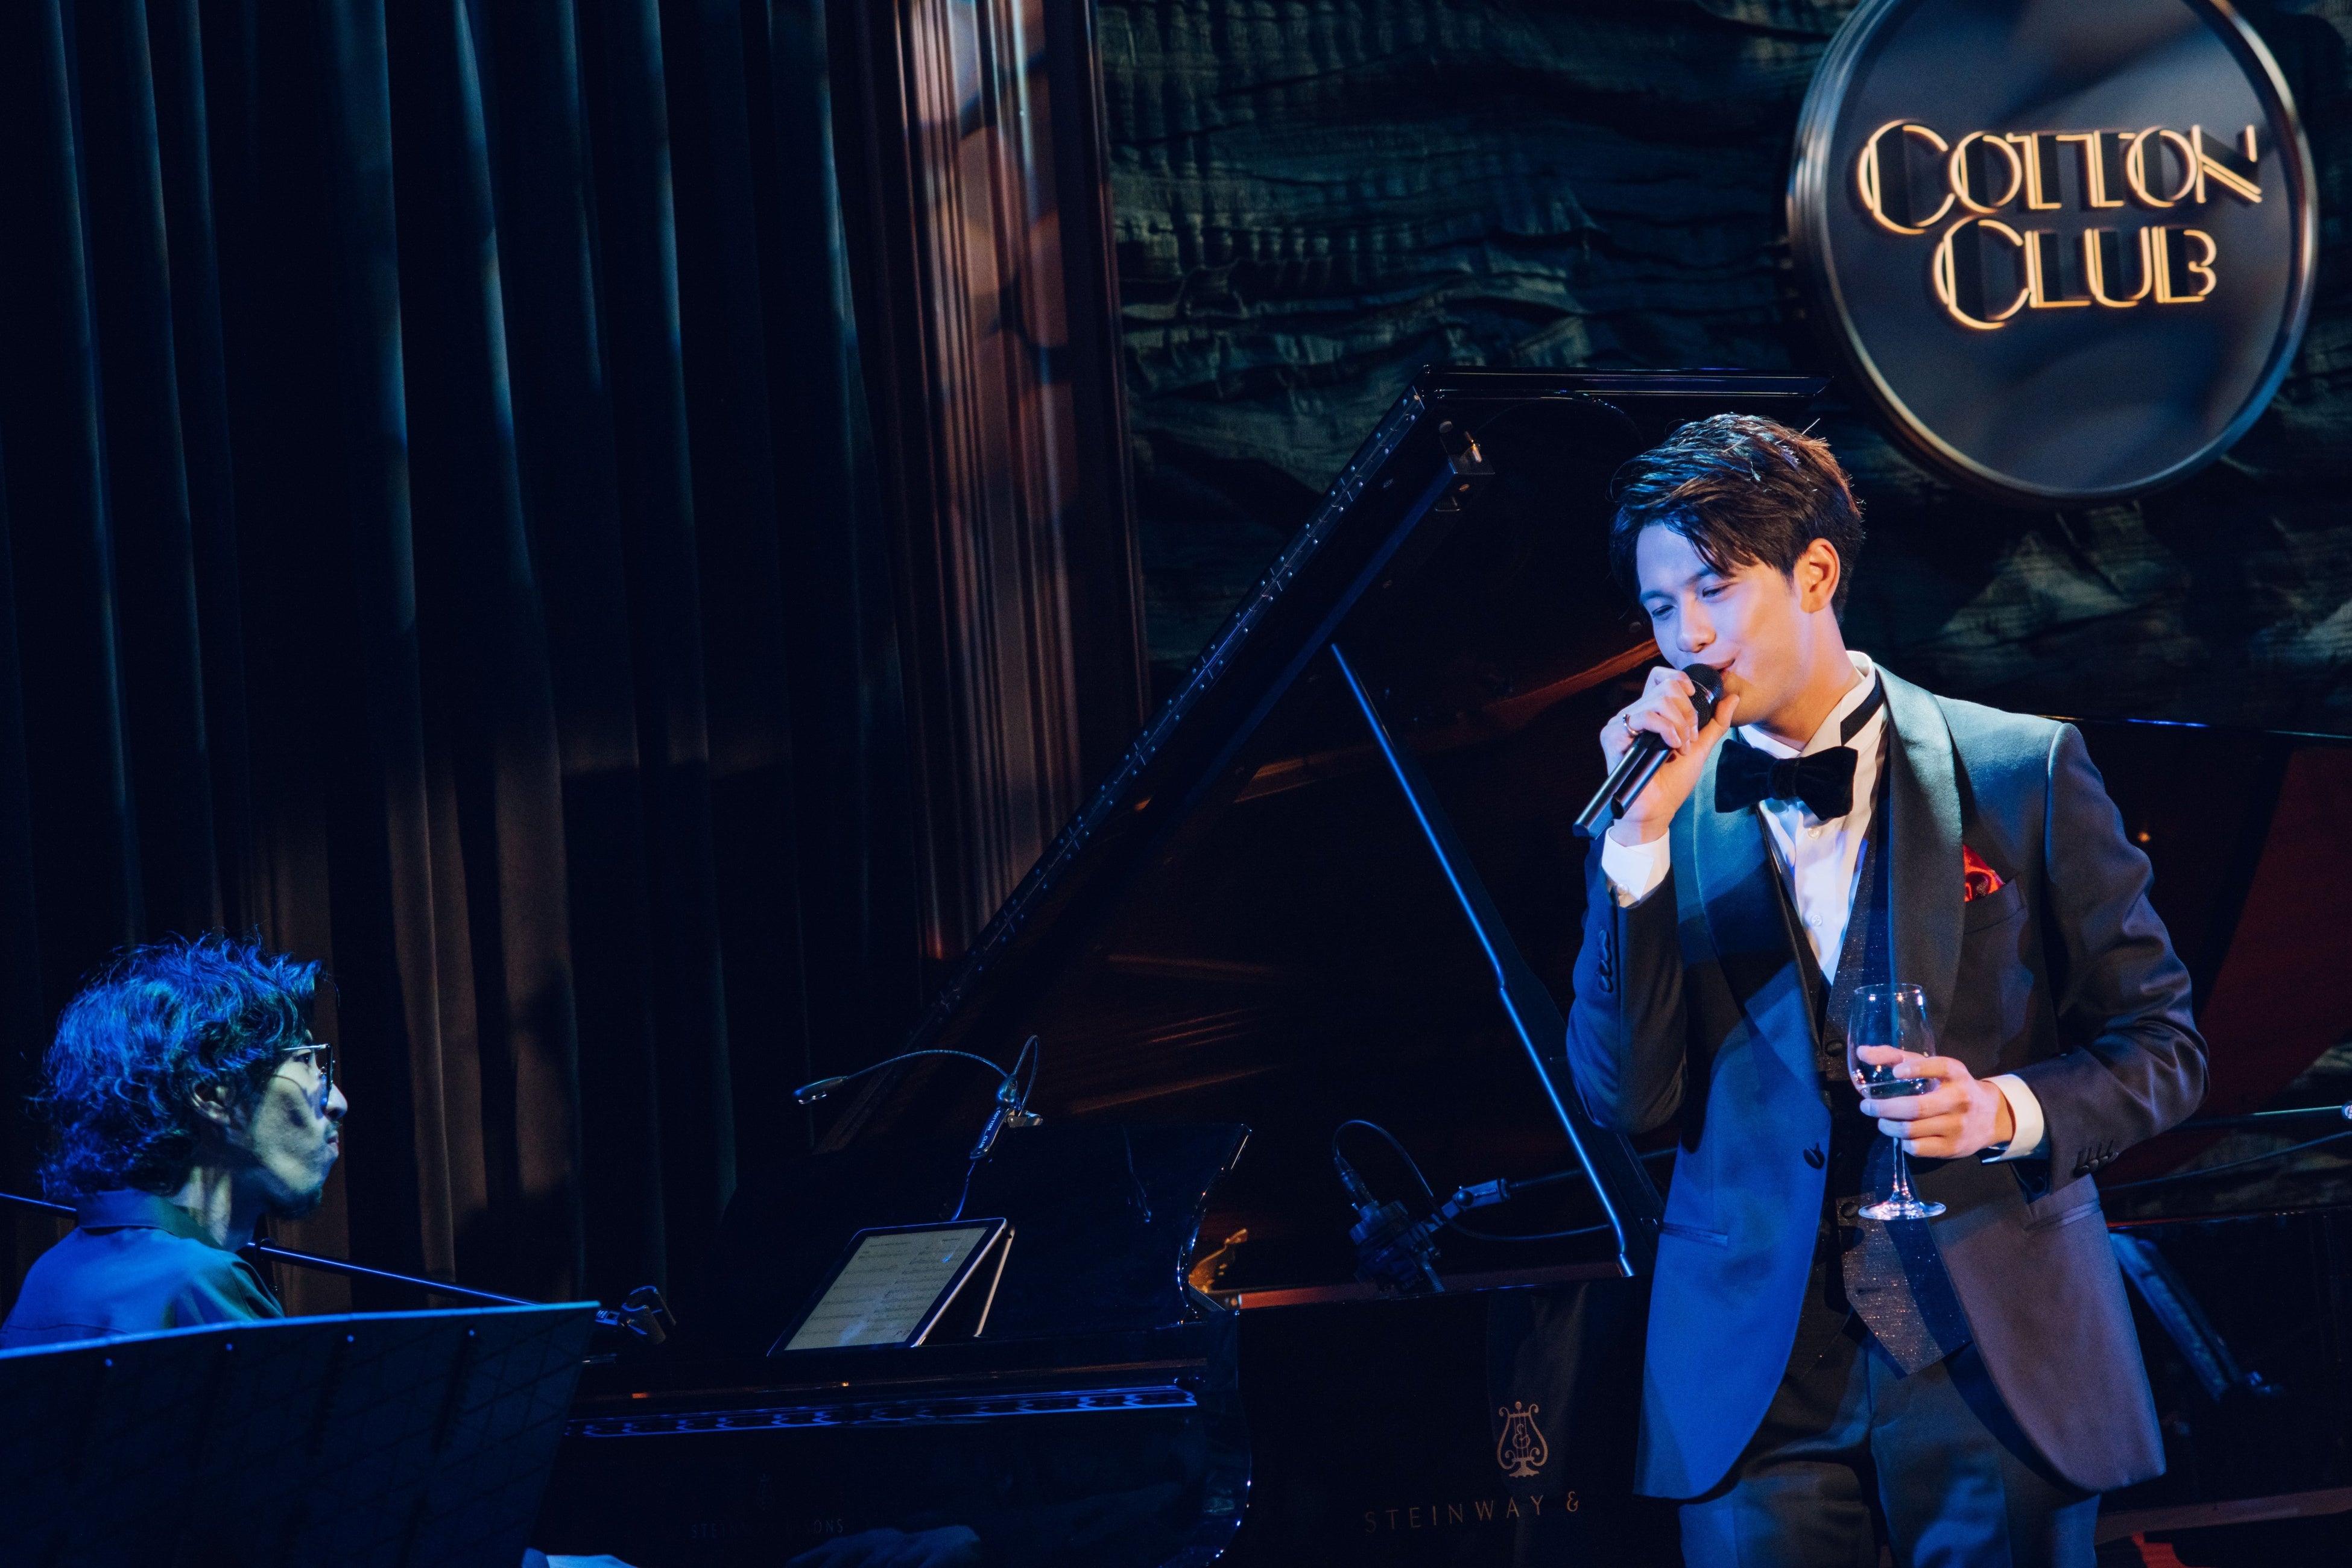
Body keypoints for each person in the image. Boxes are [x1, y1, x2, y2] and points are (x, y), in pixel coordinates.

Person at [1564, 416, 2205, 1568]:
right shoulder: (1657, 822)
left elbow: (2163, 1043)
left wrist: (2005, 1110)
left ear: (1815, 574)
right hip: (1757, 1384)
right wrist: (1634, 853)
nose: (1688, 636)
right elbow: (1627, 1099)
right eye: (1661, 607)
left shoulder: (2021, 768)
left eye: (1715, 589)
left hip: (1993, 1361)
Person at [2, 935, 344, 1347]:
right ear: (213, 1096)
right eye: (304, 1060)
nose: (337, 1102)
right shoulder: (202, 1282)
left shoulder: (48, 1275)